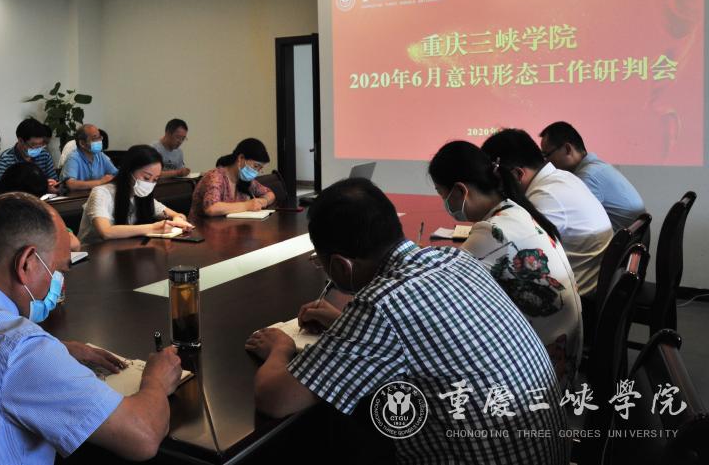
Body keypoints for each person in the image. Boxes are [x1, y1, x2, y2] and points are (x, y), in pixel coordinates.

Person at [245, 178, 567, 465]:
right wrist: (345, 323)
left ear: (342, 266)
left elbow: (276, 398)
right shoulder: (457, 259)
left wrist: (281, 348)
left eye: (322, 263)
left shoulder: (380, 305)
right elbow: (419, 335)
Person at [0, 192, 183, 464]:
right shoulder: (19, 348)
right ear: (26, 262)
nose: (58, 284)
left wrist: (59, 349)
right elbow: (142, 436)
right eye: (57, 270)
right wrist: (156, 380)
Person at [429, 141, 583, 388]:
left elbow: (440, 298)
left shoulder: (492, 232)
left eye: (441, 193)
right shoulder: (516, 211)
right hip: (565, 361)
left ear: (460, 190)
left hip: (541, 376)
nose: (444, 202)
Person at [482, 129, 613, 296]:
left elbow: (506, 248)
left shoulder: (545, 197)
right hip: (592, 283)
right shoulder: (562, 178)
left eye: (496, 182)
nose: (496, 189)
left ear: (517, 174)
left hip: (581, 298)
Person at [539, 121, 646, 232]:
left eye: (547, 155)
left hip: (620, 241)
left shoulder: (588, 177)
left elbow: (569, 220)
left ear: (567, 149)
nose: (546, 162)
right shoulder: (596, 168)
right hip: (633, 238)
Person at [77, 145, 193, 243]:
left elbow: (176, 215)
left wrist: (178, 219)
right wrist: (153, 228)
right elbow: (106, 232)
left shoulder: (141, 195)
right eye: (146, 177)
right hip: (92, 254)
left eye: (155, 179)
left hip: (123, 251)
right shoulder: (102, 193)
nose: (149, 184)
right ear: (129, 171)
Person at [191, 138, 275, 216]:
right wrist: (247, 205)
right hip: (202, 226)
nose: (256, 172)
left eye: (260, 169)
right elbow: (211, 208)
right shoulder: (215, 177)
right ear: (241, 158)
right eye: (256, 166)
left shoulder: (245, 179)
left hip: (232, 225)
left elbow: (270, 194)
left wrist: (264, 201)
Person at [0, 118, 58, 185]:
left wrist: (53, 186)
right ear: (20, 140)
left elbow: (54, 181)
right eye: (33, 145)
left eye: (40, 144)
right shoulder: (4, 159)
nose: (38, 148)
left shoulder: (44, 155)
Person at [61, 124, 118, 191]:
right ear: (82, 143)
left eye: (99, 137)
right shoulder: (73, 158)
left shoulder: (100, 155)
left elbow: (117, 175)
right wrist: (100, 182)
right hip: (76, 196)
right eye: (95, 138)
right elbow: (71, 184)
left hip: (95, 194)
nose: (99, 141)